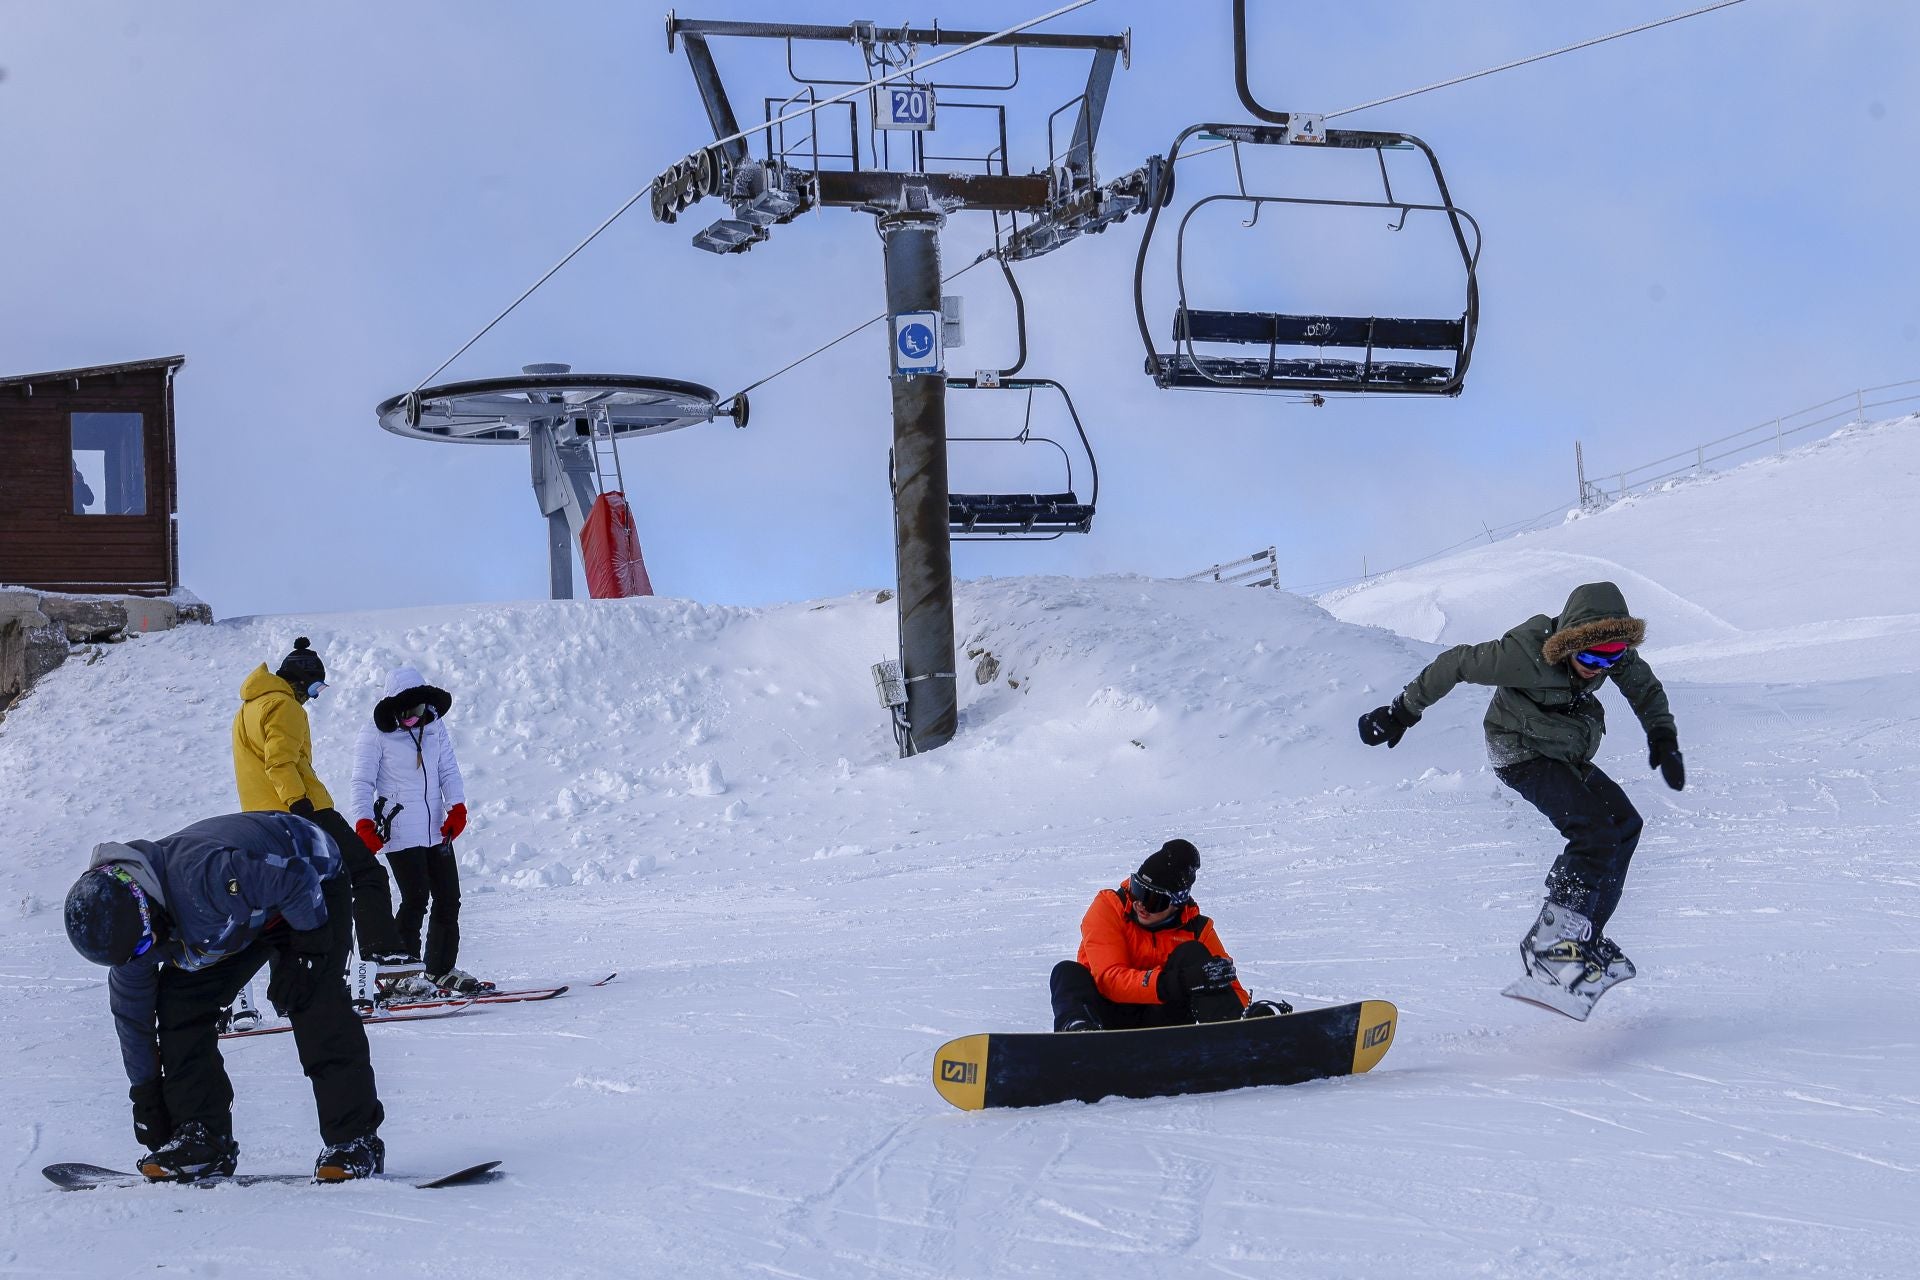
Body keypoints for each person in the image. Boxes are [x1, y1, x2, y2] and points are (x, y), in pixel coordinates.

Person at [1357, 580, 1684, 1014]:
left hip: (1564, 748)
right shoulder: (1524, 654)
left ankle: (1582, 938)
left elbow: (1644, 687)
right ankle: (1551, 946)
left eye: (1612, 658)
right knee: (1593, 834)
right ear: (1569, 642)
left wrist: (1661, 733)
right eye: (1588, 656)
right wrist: (1401, 711)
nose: (1598, 667)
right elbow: (1455, 663)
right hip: (1519, 751)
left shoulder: (1610, 651)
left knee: (1625, 826)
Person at [62, 810, 386, 1181]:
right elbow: (133, 1021)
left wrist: (310, 951)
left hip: (307, 879)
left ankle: (354, 1141)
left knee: (313, 998)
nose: (145, 954)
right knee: (179, 1006)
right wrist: (146, 1093)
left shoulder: (202, 876)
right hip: (233, 918)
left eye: (145, 943)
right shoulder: (134, 943)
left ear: (147, 907)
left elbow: (297, 879)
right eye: (136, 953)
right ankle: (202, 1138)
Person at [231, 637, 414, 973]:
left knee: (295, 894)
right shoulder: (284, 705)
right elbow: (279, 761)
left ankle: (308, 976)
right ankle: (383, 956)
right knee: (365, 872)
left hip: (262, 820)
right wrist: (298, 802)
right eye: (314, 687)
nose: (312, 697)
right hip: (303, 810)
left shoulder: (247, 709)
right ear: (298, 681)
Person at [1049, 839, 1289, 1032]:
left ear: (1177, 903)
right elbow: (1110, 980)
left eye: (1153, 899)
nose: (1140, 904)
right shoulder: (1109, 907)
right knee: (1066, 972)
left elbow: (1226, 983)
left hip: (1162, 1023)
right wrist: (1183, 980)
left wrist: (1247, 1017)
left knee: (1193, 955)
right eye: (1138, 890)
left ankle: (1232, 1032)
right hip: (1108, 1019)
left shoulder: (1197, 930)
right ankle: (1079, 1037)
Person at [350, 665, 486, 993]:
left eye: (419, 710)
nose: (413, 717)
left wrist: (457, 806)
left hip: (437, 828)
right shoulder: (374, 734)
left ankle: (440, 968)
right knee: (415, 897)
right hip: (399, 828)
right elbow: (361, 782)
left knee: (448, 898)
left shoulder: (436, 727)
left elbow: (449, 770)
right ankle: (402, 974)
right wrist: (363, 822)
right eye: (406, 711)